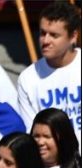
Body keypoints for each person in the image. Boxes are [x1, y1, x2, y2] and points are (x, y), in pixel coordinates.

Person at [16, 1, 81, 142]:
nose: (45, 41)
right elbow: (32, 132)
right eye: (42, 33)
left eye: (54, 35)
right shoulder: (28, 78)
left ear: (73, 36)